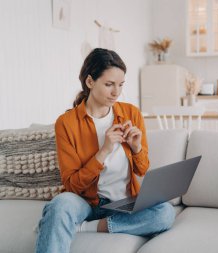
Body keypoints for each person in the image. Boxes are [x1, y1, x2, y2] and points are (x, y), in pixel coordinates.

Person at [35, 48, 175, 253]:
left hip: (121, 203)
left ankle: (87, 227)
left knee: (165, 213)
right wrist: (104, 151)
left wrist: (136, 148)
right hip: (84, 202)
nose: (116, 92)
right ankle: (67, 222)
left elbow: (142, 170)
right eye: (109, 84)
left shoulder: (131, 113)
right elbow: (72, 185)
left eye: (120, 85)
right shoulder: (66, 123)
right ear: (90, 82)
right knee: (59, 206)